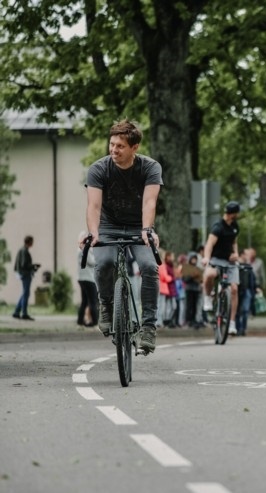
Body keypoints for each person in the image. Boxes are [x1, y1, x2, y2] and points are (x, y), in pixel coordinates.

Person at [82, 119, 162, 354]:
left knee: (149, 266)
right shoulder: (99, 169)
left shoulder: (150, 168)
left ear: (134, 147)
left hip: (139, 226)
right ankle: (106, 303)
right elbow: (93, 206)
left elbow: (149, 202)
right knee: (105, 262)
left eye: (120, 146)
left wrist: (147, 230)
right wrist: (93, 233)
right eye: (112, 144)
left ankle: (148, 326)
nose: (114, 150)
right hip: (108, 225)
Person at [202, 201, 241, 335]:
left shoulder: (235, 226)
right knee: (209, 275)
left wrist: (236, 253)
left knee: (234, 289)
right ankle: (208, 297)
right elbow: (209, 244)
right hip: (217, 259)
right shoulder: (218, 227)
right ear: (233, 214)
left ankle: (231, 323)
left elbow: (234, 242)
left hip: (229, 261)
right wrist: (207, 258)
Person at [12, 235, 38, 321]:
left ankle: (16, 312)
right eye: (32, 241)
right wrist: (33, 266)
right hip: (25, 274)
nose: (33, 243)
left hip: (23, 273)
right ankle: (24, 313)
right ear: (29, 242)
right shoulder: (24, 251)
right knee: (26, 293)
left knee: (24, 293)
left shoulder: (23, 250)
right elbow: (24, 264)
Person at [76, 232, 98, 327]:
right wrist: (98, 258)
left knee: (84, 301)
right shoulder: (85, 250)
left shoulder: (79, 250)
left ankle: (80, 321)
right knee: (93, 301)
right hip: (88, 278)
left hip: (82, 278)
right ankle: (95, 322)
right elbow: (92, 262)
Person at [236, 248, 257, 336]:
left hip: (247, 290)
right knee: (237, 310)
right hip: (238, 290)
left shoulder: (248, 266)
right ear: (242, 255)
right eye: (246, 254)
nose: (247, 256)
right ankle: (237, 328)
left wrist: (255, 288)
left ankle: (243, 328)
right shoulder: (236, 265)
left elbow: (252, 279)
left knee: (245, 310)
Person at [180, 252, 203, 328]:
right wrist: (192, 276)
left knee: (195, 306)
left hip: (196, 289)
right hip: (189, 289)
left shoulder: (197, 268)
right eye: (193, 259)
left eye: (195, 259)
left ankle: (193, 320)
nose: (194, 260)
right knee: (188, 305)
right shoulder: (186, 267)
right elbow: (185, 279)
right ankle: (188, 320)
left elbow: (201, 279)